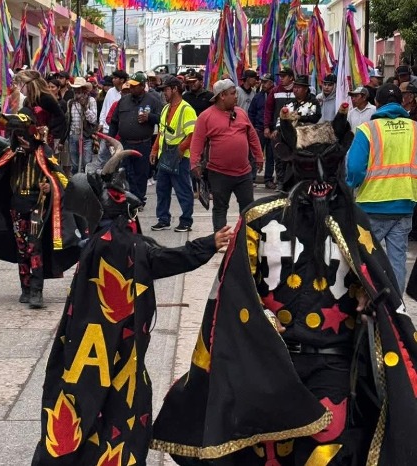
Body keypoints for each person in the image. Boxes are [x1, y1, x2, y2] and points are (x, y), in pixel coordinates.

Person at [152, 103, 417, 465]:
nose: (320, 180)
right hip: (273, 364)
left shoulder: (349, 221)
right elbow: (234, 293)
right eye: (312, 167)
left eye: (327, 166)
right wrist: (261, 316)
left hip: (328, 366)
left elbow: (376, 285)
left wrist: (366, 298)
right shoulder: (262, 219)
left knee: (325, 452)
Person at [31, 134, 232, 465]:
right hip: (109, 344)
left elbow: (155, 256)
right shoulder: (118, 244)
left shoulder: (103, 241)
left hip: (87, 344)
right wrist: (208, 244)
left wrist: (206, 244)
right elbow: (163, 259)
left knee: (84, 398)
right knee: (115, 403)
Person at [0, 109, 80, 309]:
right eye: (16, 134)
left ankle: (37, 291)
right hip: (16, 206)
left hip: (38, 205)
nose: (20, 138)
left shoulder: (43, 151)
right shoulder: (11, 152)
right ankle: (26, 287)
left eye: (23, 134)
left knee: (34, 247)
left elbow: (59, 176)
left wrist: (49, 185)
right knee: (22, 249)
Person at [346, 83, 417, 292]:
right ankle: (396, 306)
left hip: (371, 205)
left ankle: (369, 302)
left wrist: (350, 187)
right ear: (401, 102)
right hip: (405, 203)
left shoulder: (368, 129)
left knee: (367, 260)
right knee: (397, 260)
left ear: (376, 103)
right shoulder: (414, 128)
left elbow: (354, 168)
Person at [190, 79, 264, 232]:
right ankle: (220, 240)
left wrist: (259, 156)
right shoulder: (205, 117)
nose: (236, 96)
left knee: (248, 208)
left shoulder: (241, 113)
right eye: (233, 93)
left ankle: (246, 238)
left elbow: (252, 137)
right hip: (219, 174)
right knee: (220, 208)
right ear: (222, 96)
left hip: (244, 173)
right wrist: (194, 163)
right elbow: (197, 141)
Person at [150, 75, 196, 232]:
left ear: (175, 89)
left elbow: (192, 134)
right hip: (165, 155)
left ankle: (186, 221)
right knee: (162, 189)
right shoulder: (165, 109)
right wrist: (155, 149)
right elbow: (161, 132)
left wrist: (181, 149)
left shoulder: (186, 109)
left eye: (166, 90)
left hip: (180, 158)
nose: (164, 93)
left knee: (183, 190)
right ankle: (163, 219)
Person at [109, 71, 162, 205]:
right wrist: (111, 139)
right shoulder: (123, 100)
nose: (131, 88)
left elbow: (162, 119)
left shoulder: (153, 101)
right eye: (130, 85)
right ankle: (130, 198)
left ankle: (139, 200)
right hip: (125, 144)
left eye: (134, 86)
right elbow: (114, 121)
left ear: (142, 86)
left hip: (143, 144)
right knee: (126, 172)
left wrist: (149, 117)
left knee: (141, 174)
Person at [13, 70, 66, 154]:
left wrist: (47, 129)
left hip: (44, 140)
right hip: (30, 140)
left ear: (29, 84)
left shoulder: (46, 98)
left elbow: (60, 118)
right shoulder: (28, 100)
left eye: (20, 84)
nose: (19, 89)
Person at [264, 67, 295, 190]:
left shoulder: (297, 90)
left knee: (292, 157)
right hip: (277, 130)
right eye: (280, 76)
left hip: (293, 131)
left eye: (284, 76)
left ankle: (291, 182)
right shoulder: (275, 91)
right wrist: (267, 127)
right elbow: (268, 110)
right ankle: (281, 181)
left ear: (291, 77)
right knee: (279, 156)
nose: (281, 79)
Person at [64, 76, 97, 174]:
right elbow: (68, 121)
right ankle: (75, 180)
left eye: (79, 89)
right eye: (75, 89)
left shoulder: (91, 101)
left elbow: (93, 120)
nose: (76, 92)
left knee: (87, 162)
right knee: (74, 164)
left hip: (86, 136)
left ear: (84, 90)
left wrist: (85, 107)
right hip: (73, 135)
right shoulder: (70, 103)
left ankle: (86, 181)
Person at [248, 73, 275, 188]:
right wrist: (253, 127)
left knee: (271, 156)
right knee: (255, 155)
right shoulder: (258, 97)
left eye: (265, 82)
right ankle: (252, 178)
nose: (263, 84)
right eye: (262, 82)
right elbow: (251, 113)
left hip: (272, 131)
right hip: (259, 129)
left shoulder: (276, 96)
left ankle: (268, 179)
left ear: (271, 83)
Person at [97, 70, 128, 167]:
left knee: (117, 155)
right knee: (102, 154)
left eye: (115, 78)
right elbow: (104, 108)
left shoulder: (127, 92)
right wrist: (101, 123)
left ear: (122, 80)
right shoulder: (110, 92)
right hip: (107, 129)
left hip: (120, 131)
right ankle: (102, 172)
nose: (113, 80)